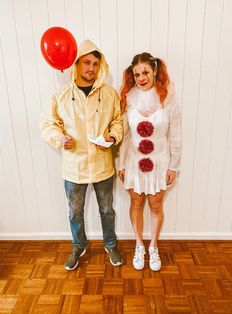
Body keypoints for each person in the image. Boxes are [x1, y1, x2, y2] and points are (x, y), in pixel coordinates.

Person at [40, 39, 123, 270]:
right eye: (87, 62)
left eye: (96, 64)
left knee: (107, 209)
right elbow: (48, 124)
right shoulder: (61, 95)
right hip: (73, 167)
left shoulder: (109, 93)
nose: (91, 68)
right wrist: (60, 139)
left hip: (102, 164)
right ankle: (78, 245)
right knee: (74, 211)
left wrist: (112, 137)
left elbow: (118, 121)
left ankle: (111, 243)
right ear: (76, 64)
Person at [118, 52, 181, 271]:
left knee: (155, 205)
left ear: (154, 70)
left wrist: (174, 166)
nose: (141, 78)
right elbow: (126, 134)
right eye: (137, 74)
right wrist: (121, 164)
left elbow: (175, 134)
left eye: (145, 72)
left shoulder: (169, 97)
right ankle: (139, 245)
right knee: (136, 203)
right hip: (134, 162)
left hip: (160, 162)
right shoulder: (129, 97)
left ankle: (153, 246)